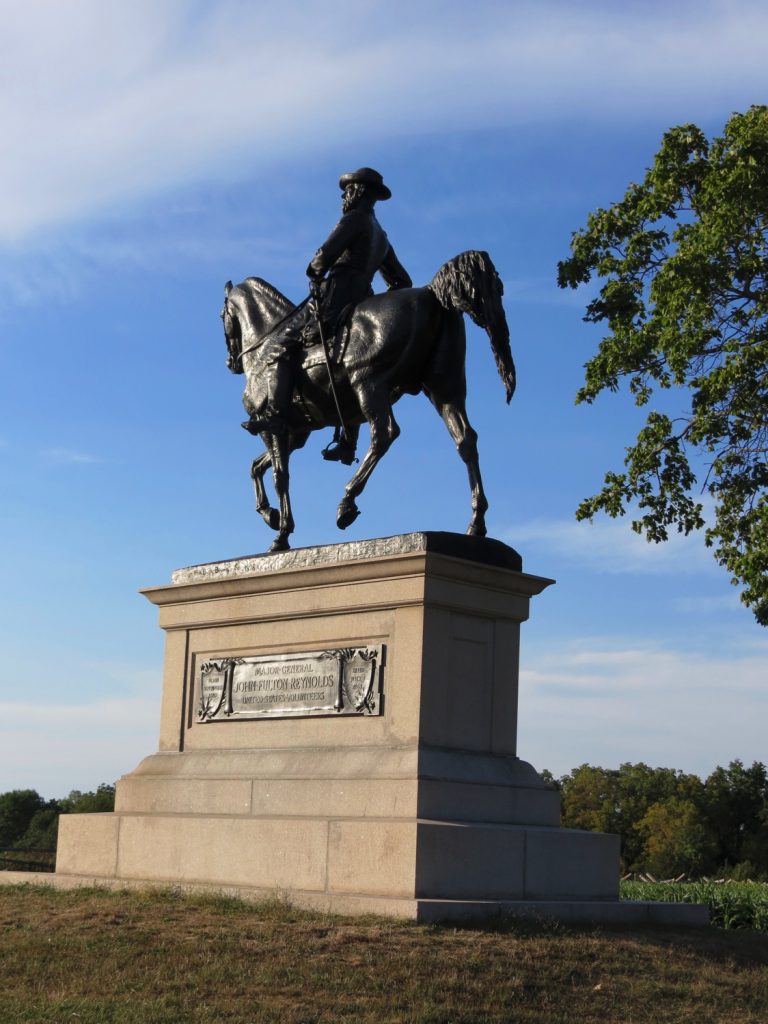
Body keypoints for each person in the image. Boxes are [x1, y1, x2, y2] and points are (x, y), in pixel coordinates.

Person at [243, 168, 412, 463]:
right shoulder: (381, 235)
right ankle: (348, 442)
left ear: (358, 193)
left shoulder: (354, 220)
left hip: (336, 295)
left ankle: (275, 415)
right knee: (353, 361)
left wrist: (315, 269)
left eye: (348, 191)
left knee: (279, 344)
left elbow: (325, 253)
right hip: (363, 297)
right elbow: (401, 281)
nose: (344, 197)